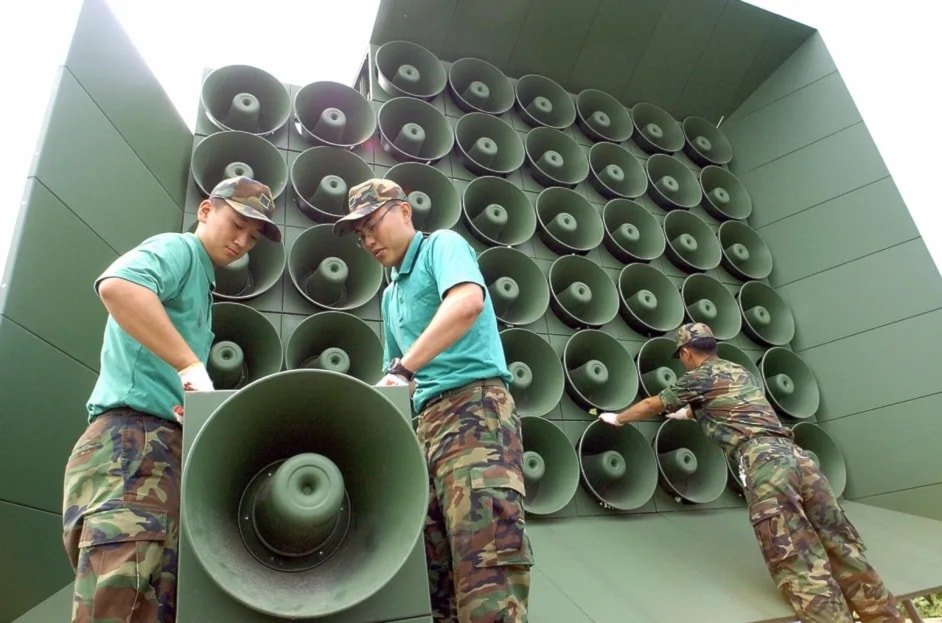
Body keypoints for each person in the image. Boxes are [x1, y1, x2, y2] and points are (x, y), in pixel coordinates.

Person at [61, 176, 281, 622]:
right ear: (205, 210)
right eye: (237, 224)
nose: (242, 242)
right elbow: (119, 285)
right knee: (121, 602)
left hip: (155, 452)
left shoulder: (201, 284)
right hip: (134, 447)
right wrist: (188, 365)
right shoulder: (181, 251)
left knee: (150, 603)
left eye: (253, 237)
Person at [597, 322, 902, 623]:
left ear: (687, 354)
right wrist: (689, 413)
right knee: (841, 548)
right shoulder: (738, 371)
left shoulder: (697, 377)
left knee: (799, 559)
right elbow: (728, 402)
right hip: (799, 458)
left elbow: (653, 403)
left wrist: (619, 419)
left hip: (764, 463)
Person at [333, 178, 533, 622]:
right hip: (426, 430)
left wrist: (406, 367)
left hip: (474, 415)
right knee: (435, 577)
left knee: (486, 571)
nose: (367, 239)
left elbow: (466, 303)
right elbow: (393, 379)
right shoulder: (390, 295)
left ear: (405, 212)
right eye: (359, 234)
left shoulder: (442, 246)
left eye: (372, 225)